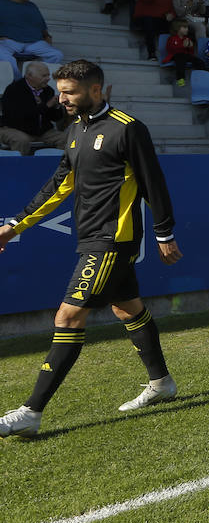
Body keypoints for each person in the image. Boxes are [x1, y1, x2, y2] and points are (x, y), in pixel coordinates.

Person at [0, 61, 180, 438]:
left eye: (70, 92)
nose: (61, 98)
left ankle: (31, 411)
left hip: (112, 240)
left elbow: (154, 184)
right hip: (91, 236)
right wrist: (16, 224)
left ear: (96, 90)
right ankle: (161, 383)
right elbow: (60, 184)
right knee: (126, 306)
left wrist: (164, 234)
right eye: (61, 91)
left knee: (67, 317)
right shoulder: (75, 130)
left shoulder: (128, 128)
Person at [0, 0, 64, 79]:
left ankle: (33, 78)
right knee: (3, 55)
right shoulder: (1, 3)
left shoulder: (32, 6)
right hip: (10, 41)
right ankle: (19, 81)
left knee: (57, 55)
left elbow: (41, 25)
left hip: (34, 42)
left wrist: (47, 36)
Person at [0, 61, 67, 154]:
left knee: (65, 139)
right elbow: (18, 117)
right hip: (14, 129)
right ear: (29, 76)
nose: (48, 79)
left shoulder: (48, 90)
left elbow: (55, 118)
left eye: (48, 75)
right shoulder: (14, 90)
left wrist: (57, 106)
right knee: (21, 141)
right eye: (44, 76)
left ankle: (59, 166)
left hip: (41, 131)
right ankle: (20, 167)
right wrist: (46, 106)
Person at [162, 19, 198, 86]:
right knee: (180, 57)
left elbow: (191, 53)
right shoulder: (172, 38)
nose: (187, 29)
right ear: (177, 28)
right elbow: (170, 50)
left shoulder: (187, 39)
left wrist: (190, 47)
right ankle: (180, 79)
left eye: (187, 27)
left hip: (185, 56)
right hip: (175, 55)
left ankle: (202, 77)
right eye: (184, 27)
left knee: (198, 61)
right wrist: (182, 46)